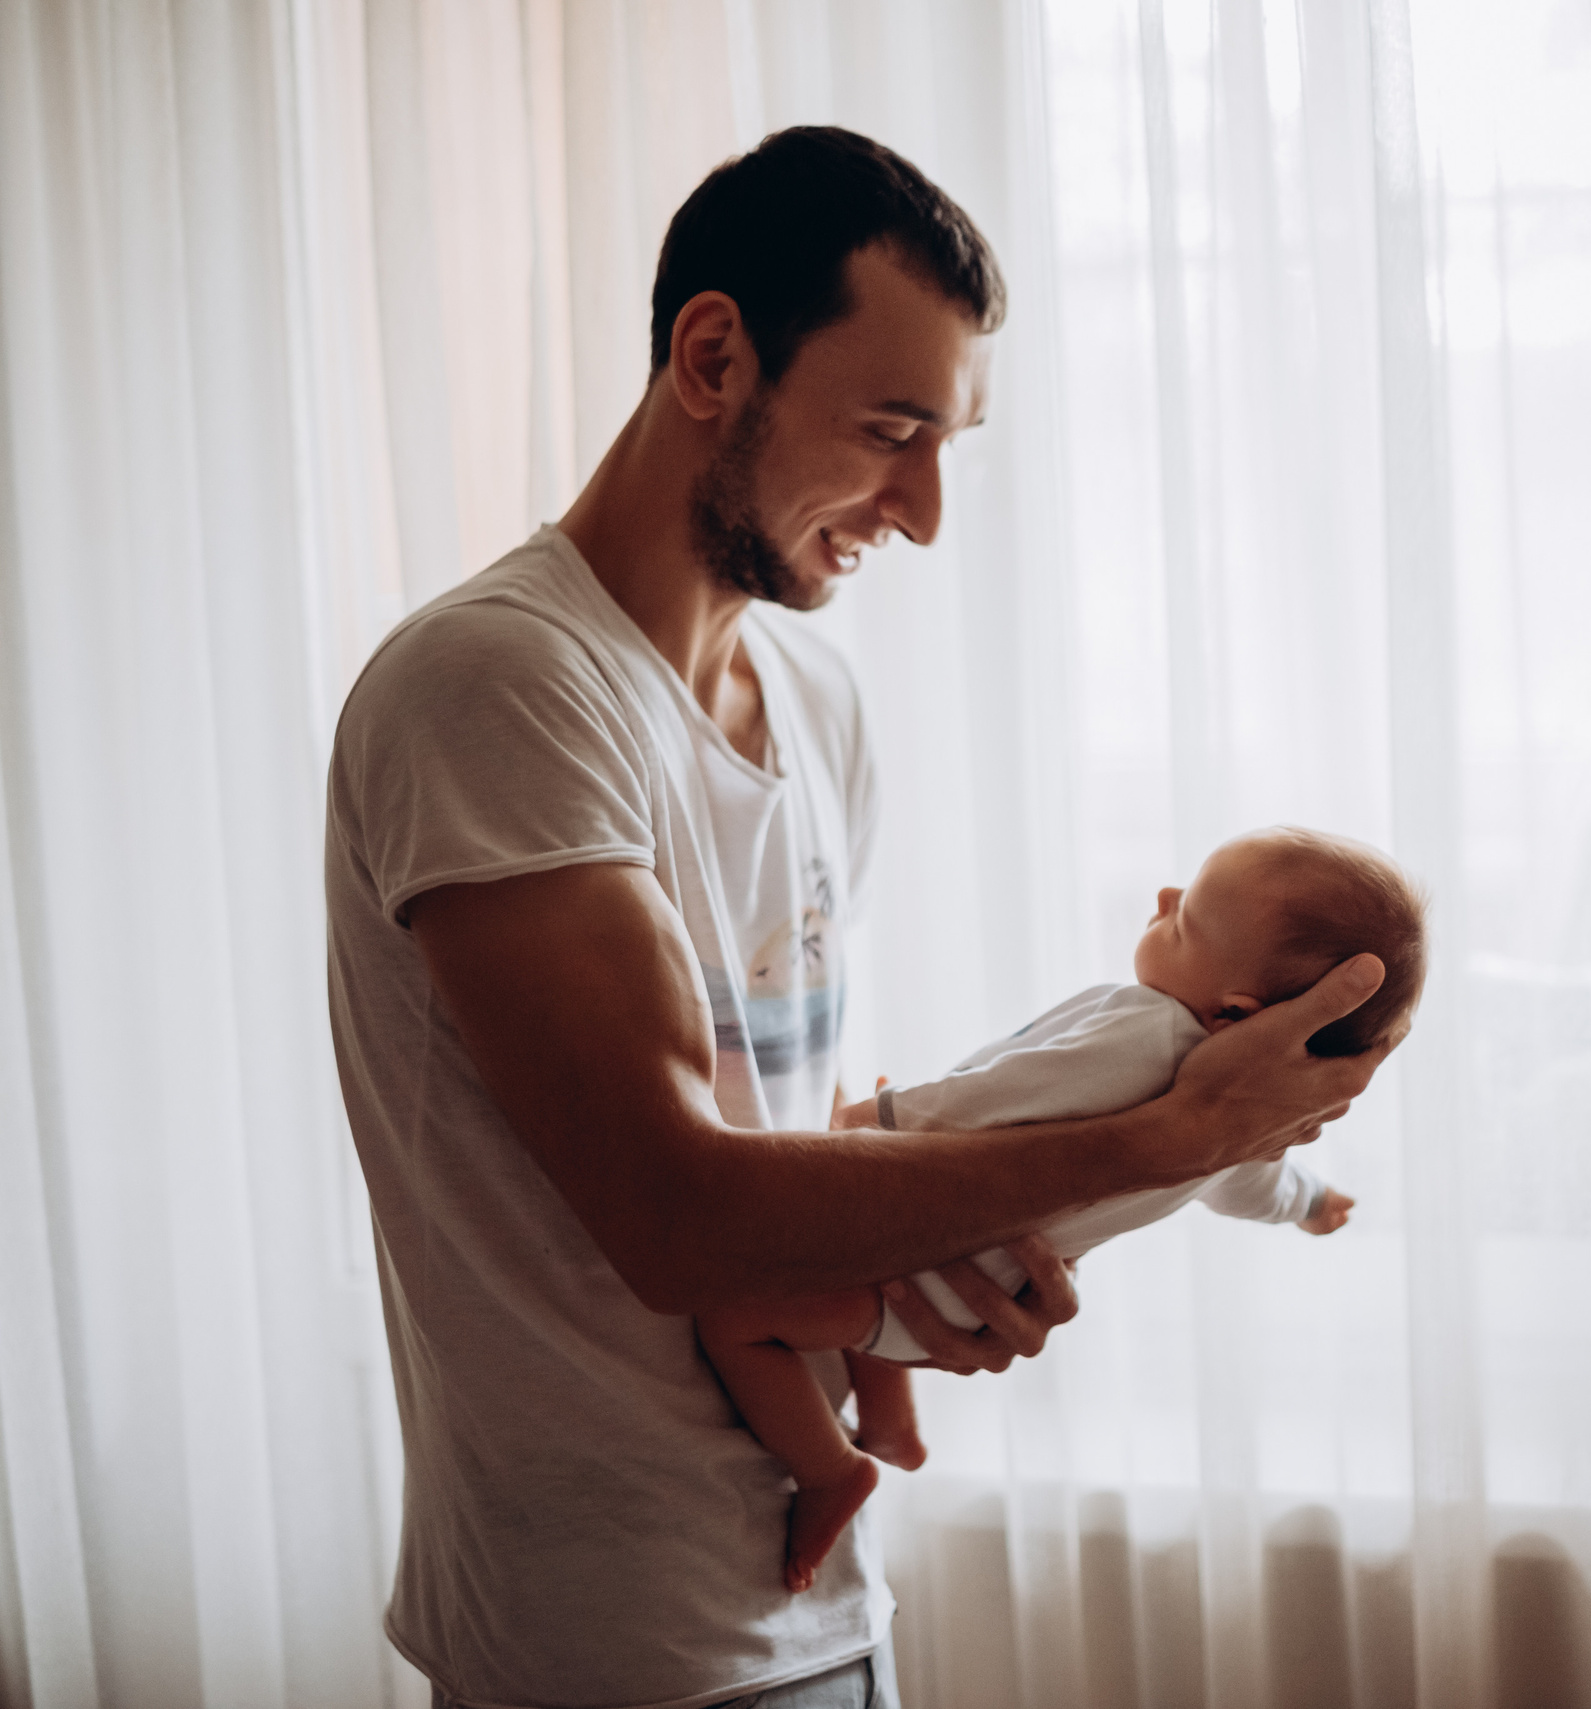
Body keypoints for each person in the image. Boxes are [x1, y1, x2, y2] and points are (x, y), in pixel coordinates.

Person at [324, 126, 1395, 1709]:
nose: (927, 507)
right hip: (606, 1649)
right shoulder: (501, 688)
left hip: (826, 1608)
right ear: (712, 355)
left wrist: (952, 1260)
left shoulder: (819, 706)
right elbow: (677, 1215)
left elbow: (788, 1135)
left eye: (947, 439)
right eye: (893, 428)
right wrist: (1166, 1139)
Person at [697, 826, 1425, 1594]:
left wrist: (879, 1123)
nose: (1164, 899)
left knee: (739, 1316)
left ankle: (829, 1471)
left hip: (935, 1262)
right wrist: (1310, 1200)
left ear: (1235, 1011)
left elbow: (1003, 1095)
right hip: (983, 1279)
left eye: (1186, 921)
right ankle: (892, 1423)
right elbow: (1252, 1189)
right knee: (868, 1287)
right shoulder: (1239, 1116)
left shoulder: (1146, 1033)